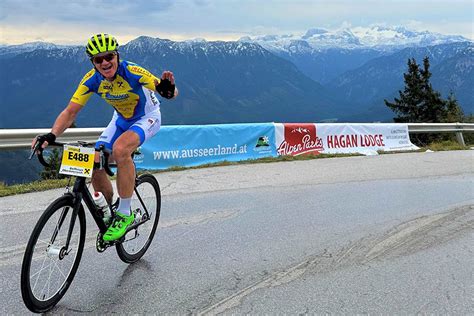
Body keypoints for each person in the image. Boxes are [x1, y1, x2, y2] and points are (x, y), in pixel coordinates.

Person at [32, 33, 178, 241]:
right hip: (120, 119)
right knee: (95, 158)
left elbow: (167, 91)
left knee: (120, 150)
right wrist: (51, 134)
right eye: (98, 59)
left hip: (147, 117)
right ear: (93, 63)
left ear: (117, 56)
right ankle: (109, 213)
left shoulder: (133, 71)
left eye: (109, 56)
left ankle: (125, 213)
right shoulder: (92, 79)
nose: (105, 62)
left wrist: (169, 90)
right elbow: (70, 112)